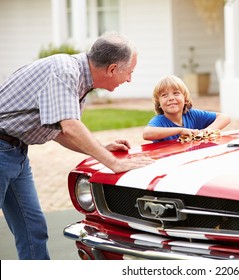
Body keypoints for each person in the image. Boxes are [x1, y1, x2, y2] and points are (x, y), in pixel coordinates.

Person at [0, 32, 154, 259]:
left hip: (16, 151)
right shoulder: (65, 72)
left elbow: (58, 130)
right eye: (129, 72)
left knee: (33, 229)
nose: (129, 79)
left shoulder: (79, 78)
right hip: (3, 149)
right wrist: (112, 163)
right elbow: (71, 127)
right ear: (112, 69)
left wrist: (102, 147)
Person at [143, 74, 230, 142]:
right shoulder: (160, 121)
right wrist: (180, 131)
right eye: (164, 95)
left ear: (185, 99)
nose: (171, 98)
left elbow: (225, 117)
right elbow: (146, 134)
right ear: (159, 103)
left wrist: (207, 131)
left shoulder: (192, 115)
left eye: (176, 93)